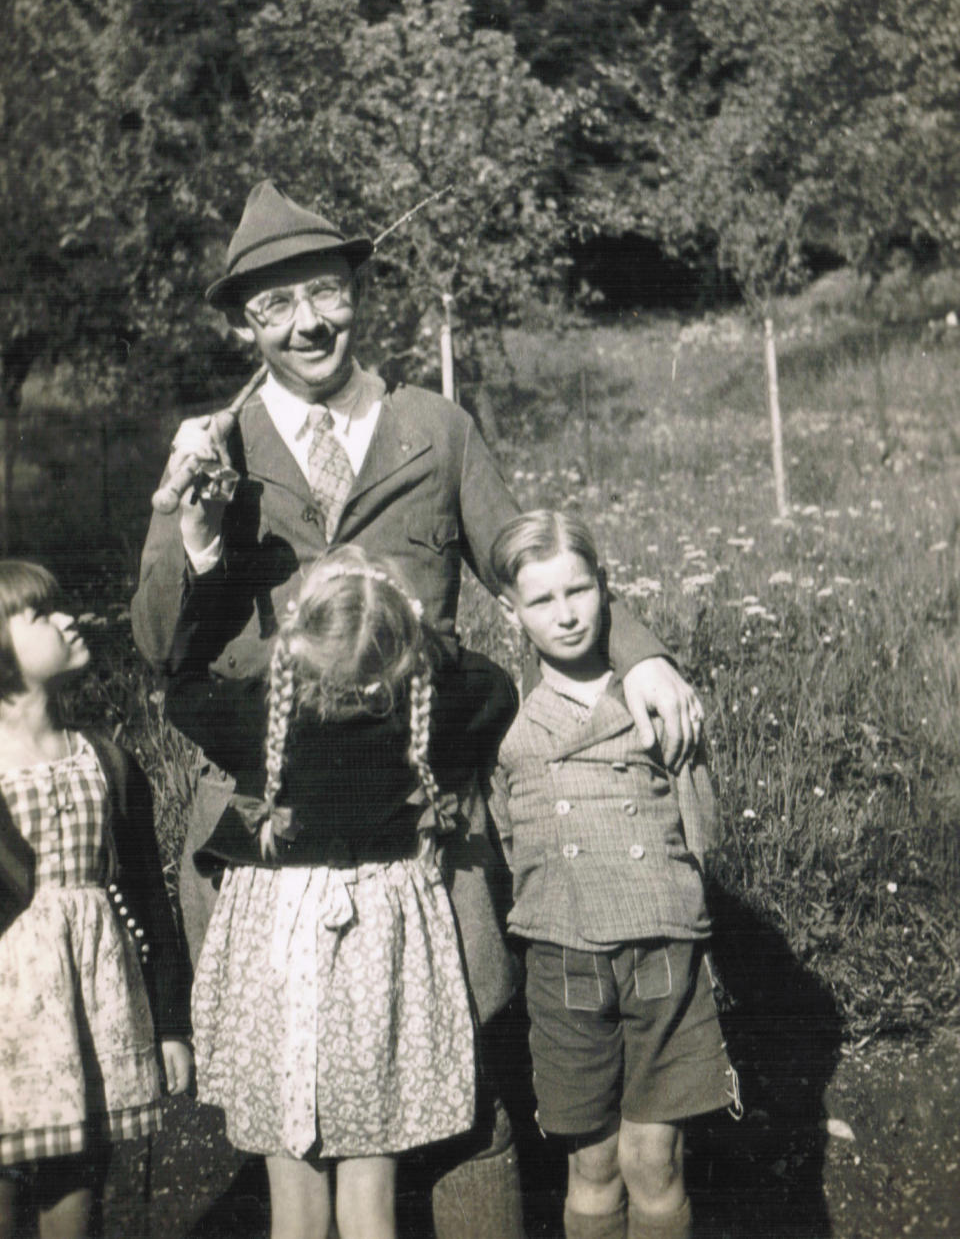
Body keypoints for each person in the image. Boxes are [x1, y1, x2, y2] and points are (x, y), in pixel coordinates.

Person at [132, 177, 707, 1239]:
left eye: (325, 291)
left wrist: (642, 656)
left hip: (425, 826)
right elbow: (162, 648)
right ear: (242, 322)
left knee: (460, 1100)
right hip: (273, 850)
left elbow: (523, 563)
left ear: (356, 291)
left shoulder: (433, 428)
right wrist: (188, 522)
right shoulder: (221, 450)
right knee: (295, 1117)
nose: (307, 322)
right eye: (274, 305)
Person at [162, 546, 518, 1239]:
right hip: (377, 972)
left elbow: (182, 687)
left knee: (293, 1211)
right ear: (402, 651)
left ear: (297, 641)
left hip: (279, 967)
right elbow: (495, 685)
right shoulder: (427, 720)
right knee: (370, 1208)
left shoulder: (259, 719)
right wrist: (418, 631)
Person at [487, 512, 741, 1239]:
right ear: (510, 612)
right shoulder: (505, 718)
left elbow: (701, 827)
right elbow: (505, 836)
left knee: (654, 1162)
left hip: (660, 950)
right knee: (591, 1168)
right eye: (541, 601)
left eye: (580, 591)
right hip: (562, 956)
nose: (566, 615)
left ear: (607, 590)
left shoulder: (655, 696)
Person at [0, 561, 191, 1239]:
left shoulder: (104, 759)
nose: (68, 619)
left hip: (94, 1011)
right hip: (9, 1029)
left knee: (78, 1193)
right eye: (41, 615)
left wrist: (172, 1023)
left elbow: (147, 896)